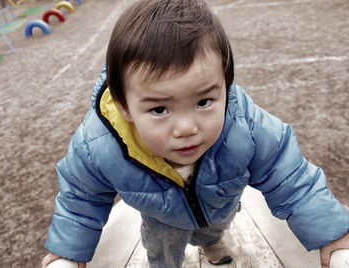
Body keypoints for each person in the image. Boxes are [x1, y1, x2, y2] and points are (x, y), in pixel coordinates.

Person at [42, 0, 349, 267]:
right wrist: (67, 253)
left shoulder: (246, 125)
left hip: (219, 206)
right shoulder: (98, 145)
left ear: (225, 88)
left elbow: (292, 179)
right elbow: (79, 201)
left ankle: (210, 244)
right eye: (160, 109)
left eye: (204, 102)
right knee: (161, 247)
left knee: (213, 228)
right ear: (123, 106)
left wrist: (331, 233)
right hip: (161, 217)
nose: (187, 128)